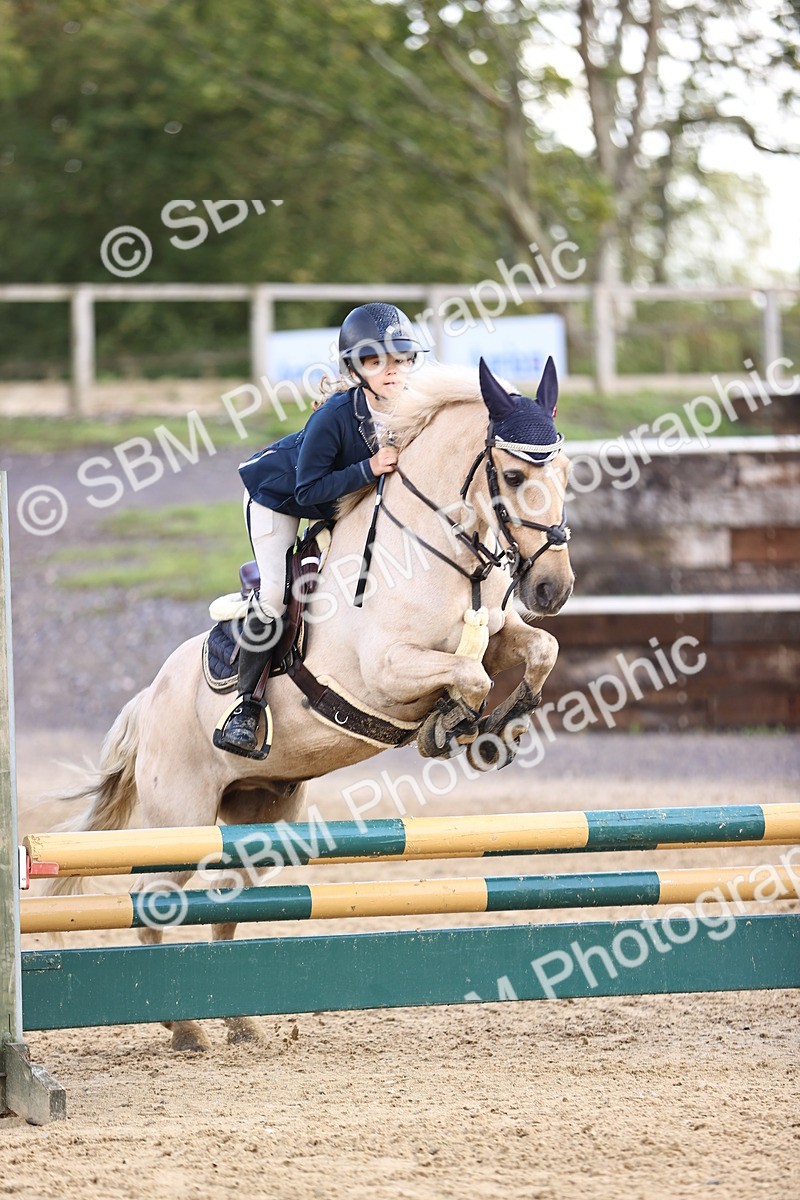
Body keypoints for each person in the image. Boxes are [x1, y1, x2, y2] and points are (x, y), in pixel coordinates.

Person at [215, 302, 427, 757]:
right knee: (274, 595)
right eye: (376, 361)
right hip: (280, 497)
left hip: (337, 502)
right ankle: (245, 707)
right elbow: (308, 491)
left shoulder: (412, 405)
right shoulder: (333, 415)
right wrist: (370, 467)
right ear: (357, 368)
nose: (391, 371)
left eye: (400, 359)